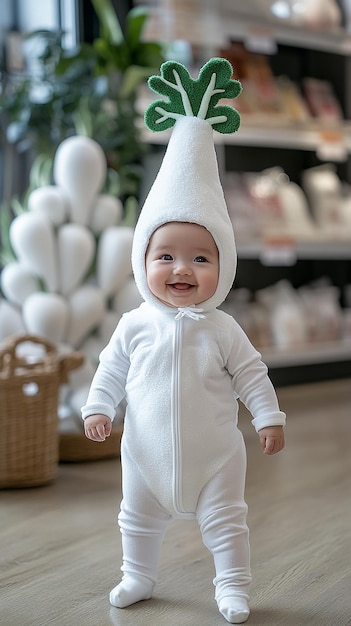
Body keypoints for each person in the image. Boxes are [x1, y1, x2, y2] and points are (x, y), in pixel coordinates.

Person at [81, 58, 286, 625]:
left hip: (215, 458)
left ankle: (233, 587)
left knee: (228, 523)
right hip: (143, 456)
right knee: (136, 519)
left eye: (201, 258)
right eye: (165, 256)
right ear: (142, 260)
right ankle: (138, 576)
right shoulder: (134, 325)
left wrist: (268, 415)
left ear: (224, 265)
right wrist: (99, 405)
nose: (182, 269)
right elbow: (110, 370)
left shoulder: (222, 328)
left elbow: (251, 374)